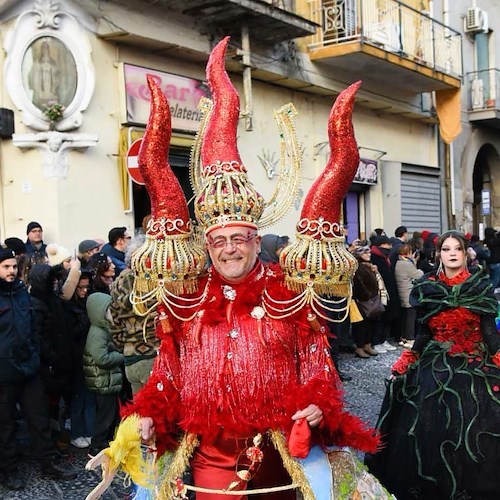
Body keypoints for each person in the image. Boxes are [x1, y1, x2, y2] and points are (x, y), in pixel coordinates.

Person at [86, 40, 383, 500]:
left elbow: (318, 365)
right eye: (219, 241)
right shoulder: (185, 299)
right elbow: (167, 369)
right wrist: (149, 412)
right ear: (207, 244)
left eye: (238, 239)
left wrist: (316, 405)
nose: (229, 250)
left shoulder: (291, 293)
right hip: (203, 456)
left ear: (255, 239)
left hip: (280, 453)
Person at [366, 231, 500, 499]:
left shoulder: (478, 286)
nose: (452, 253)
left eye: (457, 249)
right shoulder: (428, 286)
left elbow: (489, 333)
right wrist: (409, 359)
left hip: (474, 362)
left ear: (465, 253)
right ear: (438, 253)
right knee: (426, 426)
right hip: (434, 363)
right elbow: (425, 332)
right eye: (446, 249)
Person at [0, 248, 76, 491]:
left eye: (13, 266)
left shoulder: (22, 293)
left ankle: (48, 463)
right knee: (6, 425)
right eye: (6, 267)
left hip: (28, 370)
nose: (11, 271)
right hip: (4, 374)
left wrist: (33, 357)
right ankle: (9, 471)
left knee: (39, 417)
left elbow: (32, 328)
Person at [109, 236, 159, 395]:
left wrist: (124, 347)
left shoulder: (117, 286)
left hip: (130, 360)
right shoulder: (152, 286)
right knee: (158, 413)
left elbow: (112, 323)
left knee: (140, 414)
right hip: (151, 356)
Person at [83, 292, 124, 456]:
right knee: (105, 416)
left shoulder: (105, 329)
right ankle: (97, 446)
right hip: (102, 381)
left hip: (108, 380)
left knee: (111, 414)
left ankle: (106, 444)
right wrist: (122, 356)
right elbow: (101, 358)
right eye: (109, 310)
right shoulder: (97, 333)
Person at [63, 271, 95, 449]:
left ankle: (88, 431)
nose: (84, 291)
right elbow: (71, 333)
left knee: (88, 396)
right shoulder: (69, 307)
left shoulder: (85, 303)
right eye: (80, 287)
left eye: (86, 287)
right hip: (76, 357)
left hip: (87, 354)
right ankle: (77, 432)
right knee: (78, 396)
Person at [351, 245, 383, 358]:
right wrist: (367, 295)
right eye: (365, 253)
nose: (368, 254)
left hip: (370, 299)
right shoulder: (357, 268)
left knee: (369, 323)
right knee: (360, 325)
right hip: (361, 300)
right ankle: (359, 347)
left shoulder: (369, 266)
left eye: (369, 252)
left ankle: (367, 344)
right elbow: (358, 284)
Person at [394, 244, 423, 348]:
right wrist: (415, 263)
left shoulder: (399, 262)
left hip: (402, 293)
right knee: (411, 317)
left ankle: (404, 338)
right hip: (408, 294)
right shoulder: (407, 264)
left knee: (405, 318)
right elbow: (418, 275)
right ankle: (410, 339)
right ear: (408, 253)